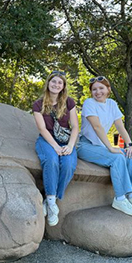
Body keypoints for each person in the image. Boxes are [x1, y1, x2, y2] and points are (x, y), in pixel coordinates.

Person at [77, 76, 132, 216]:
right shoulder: (89, 103)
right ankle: (120, 198)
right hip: (85, 145)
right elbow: (97, 127)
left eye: (101, 88)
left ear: (108, 89)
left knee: (131, 156)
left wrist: (129, 145)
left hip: (101, 146)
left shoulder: (112, 104)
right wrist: (110, 147)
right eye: (94, 89)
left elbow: (120, 126)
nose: (98, 92)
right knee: (117, 158)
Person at [33, 71, 79, 227]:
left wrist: (70, 146)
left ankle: (51, 199)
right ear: (48, 83)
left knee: (68, 164)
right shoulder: (38, 104)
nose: (56, 85)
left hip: (66, 140)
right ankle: (53, 204)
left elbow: (75, 127)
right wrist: (55, 147)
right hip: (47, 140)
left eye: (60, 82)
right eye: (54, 81)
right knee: (51, 160)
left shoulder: (69, 102)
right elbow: (42, 129)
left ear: (63, 86)